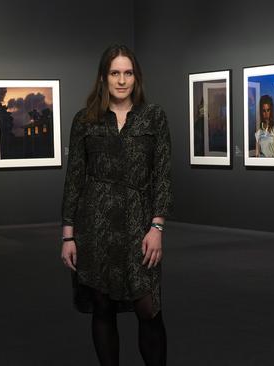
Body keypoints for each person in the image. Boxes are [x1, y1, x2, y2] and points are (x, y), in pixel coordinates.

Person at [61, 44, 173, 366]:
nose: (122, 80)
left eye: (128, 73)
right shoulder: (85, 120)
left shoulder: (154, 117)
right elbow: (75, 179)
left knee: (148, 309)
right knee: (103, 307)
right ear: (103, 77)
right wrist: (68, 235)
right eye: (115, 73)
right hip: (94, 226)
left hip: (139, 225)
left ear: (136, 78)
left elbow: (163, 175)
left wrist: (157, 226)